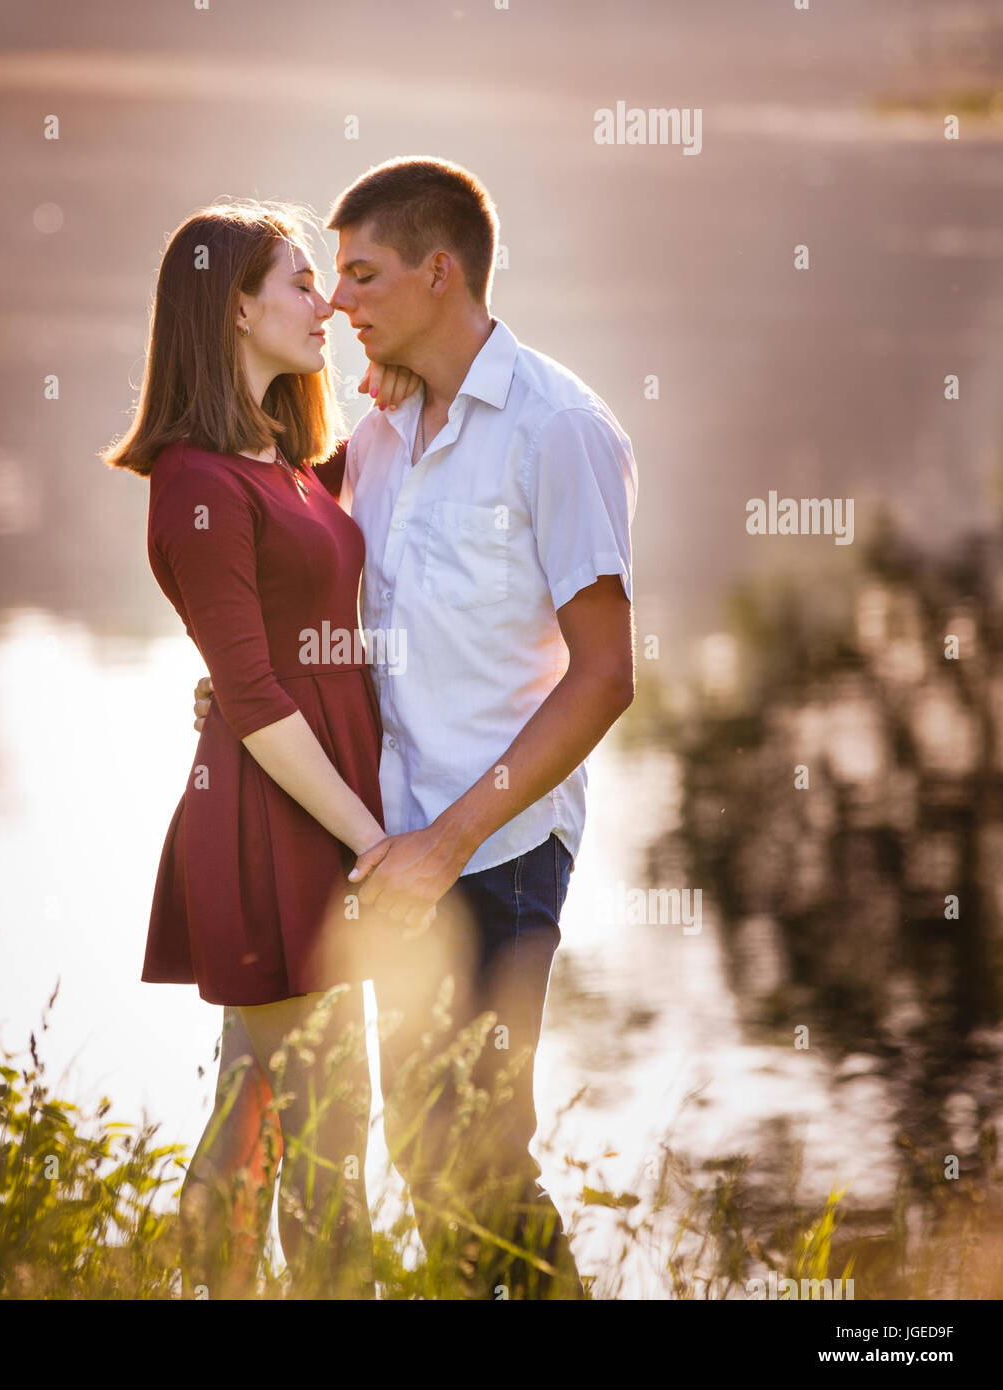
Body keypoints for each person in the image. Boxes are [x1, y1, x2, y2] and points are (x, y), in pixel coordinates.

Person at [192, 156, 638, 1299]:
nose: (339, 302)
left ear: (441, 273)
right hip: (389, 859)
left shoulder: (558, 428)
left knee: (480, 1158)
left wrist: (446, 842)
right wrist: (240, 682)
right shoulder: (380, 433)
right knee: (421, 1158)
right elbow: (298, 572)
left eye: (363, 274)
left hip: (497, 852)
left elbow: (602, 679)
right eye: (328, 279)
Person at [101, 200, 422, 1300]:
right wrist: (374, 843)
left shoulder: (282, 461)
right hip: (280, 822)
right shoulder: (197, 479)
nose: (323, 301)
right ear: (234, 307)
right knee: (299, 1114)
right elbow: (248, 692)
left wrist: (404, 385)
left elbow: (313, 580)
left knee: (288, 1109)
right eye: (298, 282)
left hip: (318, 810)